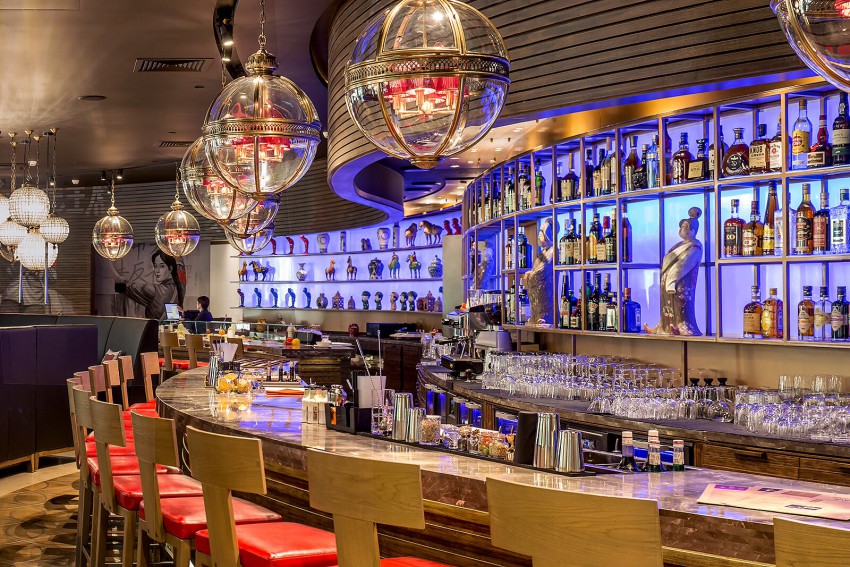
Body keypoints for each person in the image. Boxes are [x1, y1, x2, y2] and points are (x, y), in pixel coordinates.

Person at [115, 250, 185, 320]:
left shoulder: (156, 291)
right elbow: (180, 265)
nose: (157, 270)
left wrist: (115, 276)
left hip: (156, 326)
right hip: (174, 325)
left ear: (170, 268)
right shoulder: (180, 286)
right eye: (155, 266)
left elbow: (127, 288)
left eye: (162, 266)